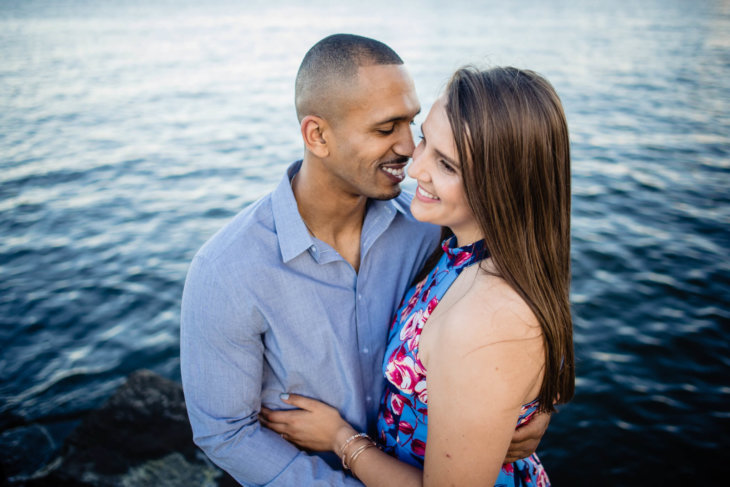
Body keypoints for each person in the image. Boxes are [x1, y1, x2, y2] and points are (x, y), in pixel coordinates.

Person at [181, 34, 550, 486]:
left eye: (411, 124)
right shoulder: (225, 272)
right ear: (317, 135)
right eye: (384, 128)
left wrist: (535, 398)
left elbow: (523, 282)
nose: (409, 151)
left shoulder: (428, 226)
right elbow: (225, 433)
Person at [259, 65, 574, 486]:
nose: (415, 167)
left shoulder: (487, 321)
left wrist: (341, 440)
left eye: (447, 166)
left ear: (502, 185)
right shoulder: (457, 248)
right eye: (426, 138)